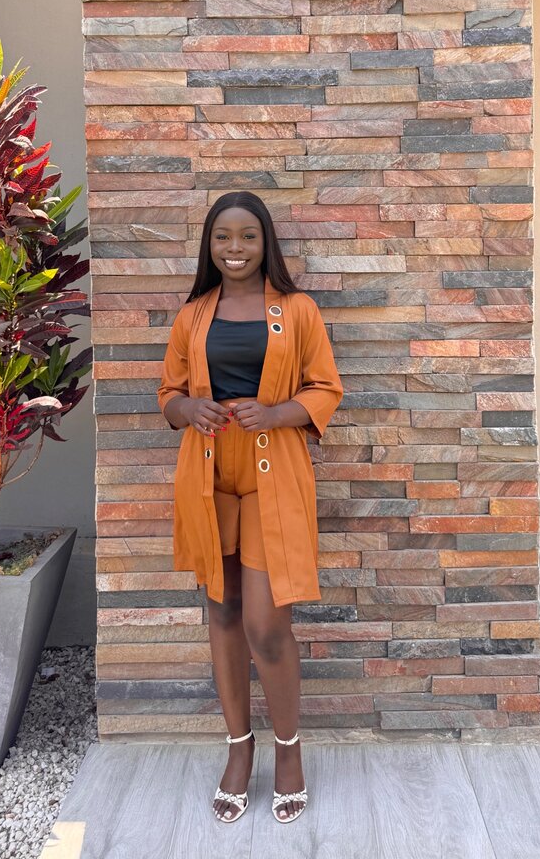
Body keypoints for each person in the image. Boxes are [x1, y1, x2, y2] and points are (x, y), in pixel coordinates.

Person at [157, 190, 343, 825]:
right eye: (222, 237)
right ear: (208, 246)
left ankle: (289, 750)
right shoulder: (193, 315)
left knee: (265, 624)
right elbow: (169, 393)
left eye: (247, 236)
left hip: (273, 473)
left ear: (266, 243)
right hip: (209, 474)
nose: (234, 248)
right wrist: (188, 408)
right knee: (223, 610)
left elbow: (326, 387)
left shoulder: (298, 310)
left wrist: (276, 413)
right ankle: (240, 748)